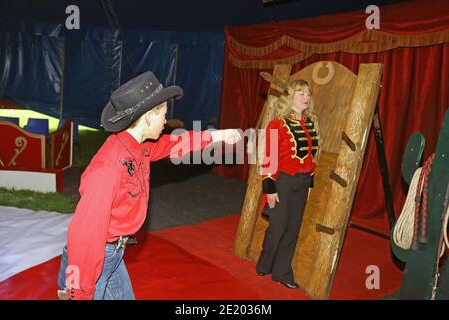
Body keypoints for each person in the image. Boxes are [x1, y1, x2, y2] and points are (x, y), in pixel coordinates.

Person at [57, 71, 242, 300]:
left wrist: (217, 136)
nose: (166, 122)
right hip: (92, 262)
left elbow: (173, 144)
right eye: (163, 115)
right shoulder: (108, 169)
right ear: (147, 118)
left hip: (113, 253)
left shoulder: (137, 144)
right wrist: (80, 293)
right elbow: (84, 235)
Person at [256, 79, 320, 289]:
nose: (306, 97)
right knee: (278, 227)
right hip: (282, 181)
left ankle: (282, 272)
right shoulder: (278, 123)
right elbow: (269, 157)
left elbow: (311, 157)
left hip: (302, 182)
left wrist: (310, 183)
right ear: (290, 97)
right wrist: (270, 188)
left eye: (308, 94)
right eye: (301, 93)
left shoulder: (310, 123)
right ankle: (265, 262)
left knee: (293, 230)